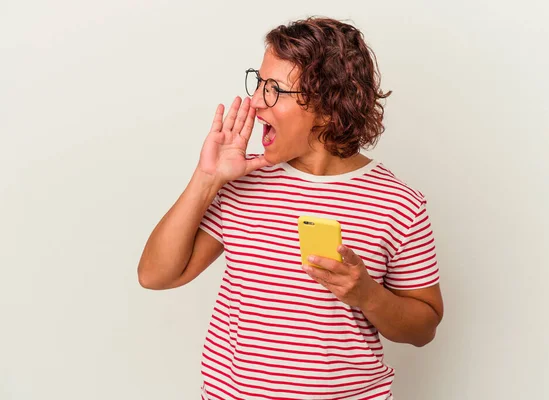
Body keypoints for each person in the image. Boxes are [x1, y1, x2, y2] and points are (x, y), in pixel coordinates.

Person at [138, 17, 444, 400]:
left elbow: (424, 328)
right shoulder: (242, 182)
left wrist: (368, 295)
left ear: (331, 107)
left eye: (275, 90)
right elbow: (155, 276)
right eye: (259, 83)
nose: (254, 101)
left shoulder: (398, 204)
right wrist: (206, 178)